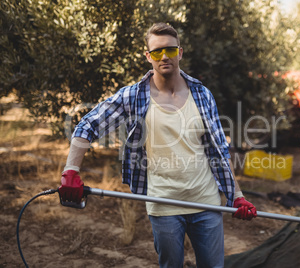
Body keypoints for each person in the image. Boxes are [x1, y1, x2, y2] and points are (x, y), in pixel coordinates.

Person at [59, 22, 257, 268]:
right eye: (157, 52)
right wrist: (70, 171)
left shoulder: (202, 94)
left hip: (206, 202)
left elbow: (219, 149)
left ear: (180, 52)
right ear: (148, 56)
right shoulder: (132, 96)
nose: (164, 56)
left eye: (171, 50)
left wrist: (237, 196)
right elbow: (86, 126)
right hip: (163, 204)